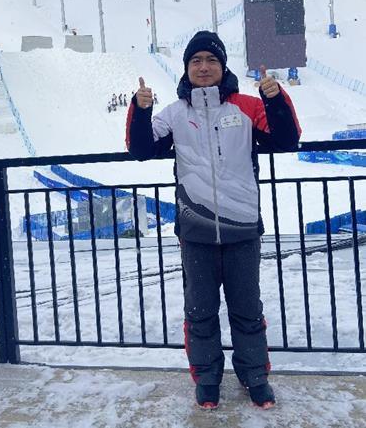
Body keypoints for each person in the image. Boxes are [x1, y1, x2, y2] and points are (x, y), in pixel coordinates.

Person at [126, 30, 301, 410]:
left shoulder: (247, 106)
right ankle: (207, 380)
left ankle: (255, 377)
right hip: (196, 230)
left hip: (242, 228)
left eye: (211, 60)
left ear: (222, 66)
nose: (203, 67)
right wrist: (140, 109)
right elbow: (140, 149)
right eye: (196, 61)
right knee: (200, 312)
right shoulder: (175, 113)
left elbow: (287, 140)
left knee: (247, 310)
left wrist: (275, 99)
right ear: (187, 68)